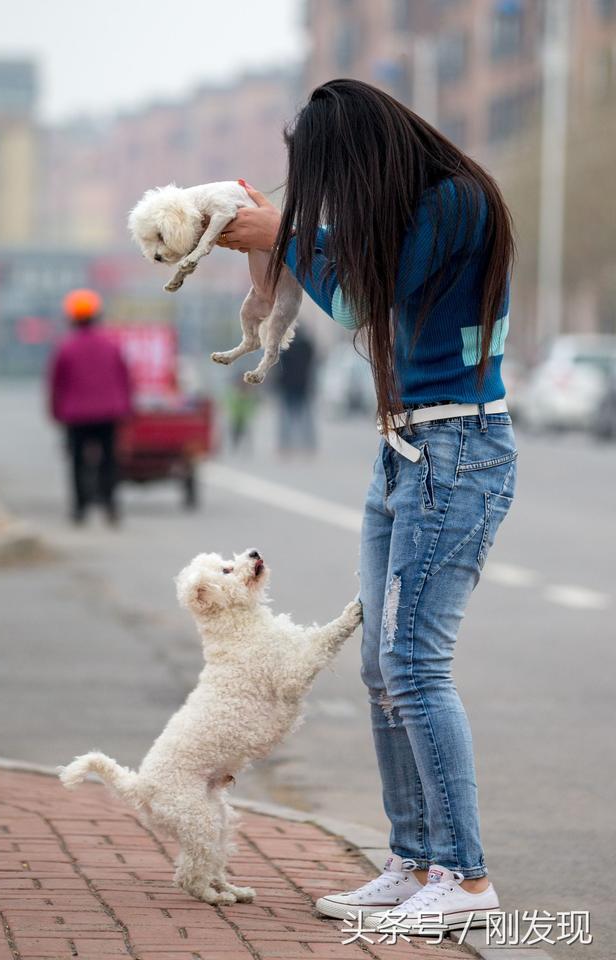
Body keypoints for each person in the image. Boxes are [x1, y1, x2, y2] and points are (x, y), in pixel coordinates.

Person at [217, 78, 518, 934]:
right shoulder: (415, 209)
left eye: (327, 174)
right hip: (405, 450)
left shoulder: (458, 203)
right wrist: (278, 235)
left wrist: (283, 234)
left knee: (416, 665)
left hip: (458, 451)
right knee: (383, 669)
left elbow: (356, 298)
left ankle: (464, 883)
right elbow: (345, 267)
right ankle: (413, 860)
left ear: (364, 156)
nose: (327, 194)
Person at [48, 289, 132, 525]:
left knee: (77, 462)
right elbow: (124, 379)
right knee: (108, 460)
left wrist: (56, 412)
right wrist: (126, 409)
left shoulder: (66, 347)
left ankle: (79, 508)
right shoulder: (110, 345)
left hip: (76, 415)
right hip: (108, 413)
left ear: (71, 317)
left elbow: (56, 384)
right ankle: (110, 505)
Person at [274, 327, 317, 455]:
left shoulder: (285, 347)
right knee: (305, 418)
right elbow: (311, 361)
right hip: (303, 386)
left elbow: (278, 365)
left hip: (288, 386)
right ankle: (309, 446)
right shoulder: (306, 346)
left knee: (286, 419)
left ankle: (285, 446)